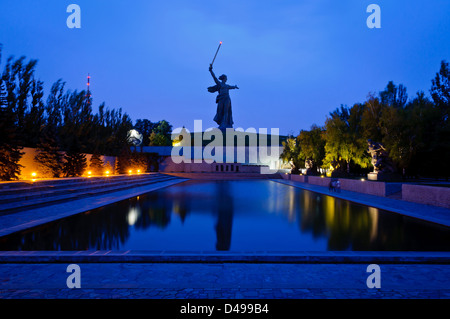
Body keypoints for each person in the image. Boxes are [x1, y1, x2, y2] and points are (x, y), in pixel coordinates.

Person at [208, 64, 239, 130]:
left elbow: (231, 87)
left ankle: (225, 124)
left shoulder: (227, 86)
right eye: (226, 78)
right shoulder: (219, 84)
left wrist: (235, 87)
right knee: (220, 111)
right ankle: (222, 124)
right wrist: (211, 70)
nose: (226, 79)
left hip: (227, 98)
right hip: (221, 99)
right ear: (224, 79)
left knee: (226, 111)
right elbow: (214, 78)